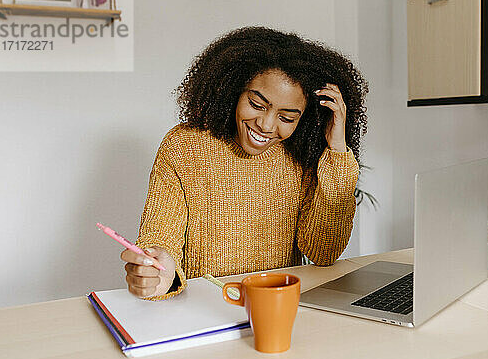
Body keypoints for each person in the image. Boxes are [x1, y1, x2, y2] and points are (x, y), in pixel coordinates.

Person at [120, 26, 368, 300]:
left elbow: (324, 252)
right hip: (204, 311)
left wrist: (336, 150)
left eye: (287, 118)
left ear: (304, 120)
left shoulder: (301, 156)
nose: (266, 124)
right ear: (233, 89)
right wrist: (158, 271)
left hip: (277, 307)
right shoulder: (184, 147)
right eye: (257, 104)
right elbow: (159, 238)